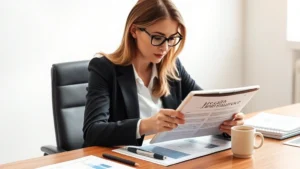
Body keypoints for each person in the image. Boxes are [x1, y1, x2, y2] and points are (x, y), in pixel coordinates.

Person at [83, 0, 244, 147]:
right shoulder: (104, 68)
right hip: (123, 160)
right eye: (158, 37)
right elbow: (92, 131)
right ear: (134, 31)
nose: (165, 48)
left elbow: (207, 105)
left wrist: (228, 124)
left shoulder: (172, 67)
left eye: (172, 38)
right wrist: (147, 125)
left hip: (165, 157)